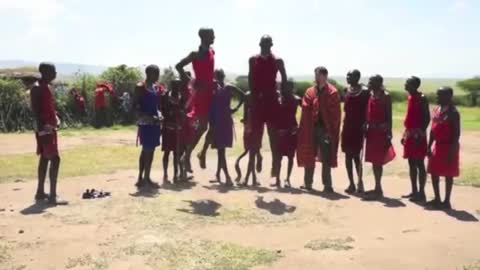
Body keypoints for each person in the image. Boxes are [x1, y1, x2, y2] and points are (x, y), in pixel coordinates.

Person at [176, 27, 216, 175]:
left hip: (212, 92)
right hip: (201, 95)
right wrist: (191, 82)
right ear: (204, 36)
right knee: (203, 127)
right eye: (212, 35)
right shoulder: (195, 54)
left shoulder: (212, 51)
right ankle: (187, 155)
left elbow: (209, 72)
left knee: (214, 126)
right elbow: (178, 66)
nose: (214, 37)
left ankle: (202, 152)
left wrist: (214, 82)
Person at [248, 35, 287, 182]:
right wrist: (252, 99)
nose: (266, 46)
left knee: (273, 137)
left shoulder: (277, 61)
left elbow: (284, 78)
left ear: (271, 45)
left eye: (268, 44)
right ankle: (254, 165)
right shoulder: (253, 60)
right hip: (258, 102)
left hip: (272, 102)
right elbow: (251, 78)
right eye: (263, 44)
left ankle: (275, 167)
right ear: (259, 44)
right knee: (255, 137)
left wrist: (282, 95)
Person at [297, 67, 341, 192]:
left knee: (326, 157)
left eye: (318, 75)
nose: (315, 77)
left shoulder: (332, 92)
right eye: (315, 75)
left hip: (326, 130)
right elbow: (305, 108)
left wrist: (330, 130)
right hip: (311, 128)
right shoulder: (310, 91)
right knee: (309, 155)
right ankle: (308, 184)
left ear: (324, 76)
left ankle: (327, 185)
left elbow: (335, 114)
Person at [30, 62, 65, 205]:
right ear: (45, 72)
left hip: (48, 126)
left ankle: (40, 192)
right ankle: (52, 196)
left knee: (45, 158)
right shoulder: (38, 88)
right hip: (45, 128)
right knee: (55, 159)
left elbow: (46, 107)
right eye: (53, 71)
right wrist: (44, 128)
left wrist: (55, 117)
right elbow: (36, 110)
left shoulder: (45, 87)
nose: (55, 74)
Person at [209, 69, 245, 186]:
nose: (218, 77)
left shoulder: (229, 87)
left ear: (223, 76)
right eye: (216, 75)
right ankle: (221, 175)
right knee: (220, 150)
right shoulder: (213, 88)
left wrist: (235, 108)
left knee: (222, 150)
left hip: (225, 121)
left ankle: (226, 176)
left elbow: (243, 96)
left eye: (220, 75)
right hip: (216, 120)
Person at [426, 86, 460, 210]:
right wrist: (429, 146)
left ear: (448, 96)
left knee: (448, 174)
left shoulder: (453, 113)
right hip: (437, 146)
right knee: (434, 172)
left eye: (440, 95)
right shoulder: (437, 110)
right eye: (437, 94)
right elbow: (432, 130)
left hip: (449, 146)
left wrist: (452, 151)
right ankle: (437, 199)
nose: (437, 97)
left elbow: (457, 134)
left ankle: (446, 201)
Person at [364, 75, 396, 200]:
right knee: (373, 161)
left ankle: (378, 189)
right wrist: (366, 125)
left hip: (381, 132)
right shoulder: (371, 95)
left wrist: (389, 132)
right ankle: (377, 187)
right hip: (371, 131)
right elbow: (368, 113)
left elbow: (389, 116)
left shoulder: (386, 96)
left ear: (379, 83)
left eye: (371, 82)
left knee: (378, 161)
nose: (369, 83)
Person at [401, 76, 430, 202]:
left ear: (414, 85)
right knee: (411, 163)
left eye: (407, 83)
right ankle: (414, 191)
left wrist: (420, 133)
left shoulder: (422, 98)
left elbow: (427, 118)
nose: (405, 85)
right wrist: (405, 134)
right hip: (410, 134)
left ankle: (422, 193)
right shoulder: (410, 97)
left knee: (419, 163)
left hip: (418, 135)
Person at [134, 65, 162, 189]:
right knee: (146, 150)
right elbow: (134, 107)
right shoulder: (141, 87)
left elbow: (156, 107)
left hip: (155, 123)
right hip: (146, 123)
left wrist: (159, 115)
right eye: (156, 73)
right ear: (149, 73)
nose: (158, 76)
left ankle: (146, 178)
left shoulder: (155, 88)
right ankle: (142, 178)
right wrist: (148, 117)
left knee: (150, 151)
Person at [341, 70, 370, 194]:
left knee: (356, 156)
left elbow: (369, 109)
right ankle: (351, 183)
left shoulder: (364, 92)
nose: (348, 77)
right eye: (347, 75)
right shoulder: (346, 90)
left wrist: (366, 123)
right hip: (347, 126)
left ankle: (360, 182)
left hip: (358, 127)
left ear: (357, 77)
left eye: (350, 75)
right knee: (347, 155)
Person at [272, 80, 300, 188]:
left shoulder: (295, 99)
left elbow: (308, 110)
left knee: (290, 156)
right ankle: (277, 178)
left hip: (291, 130)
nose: (285, 90)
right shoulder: (279, 99)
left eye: (288, 88)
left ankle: (287, 178)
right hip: (280, 131)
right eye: (284, 88)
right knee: (278, 156)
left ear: (291, 88)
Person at [235, 90, 264, 186]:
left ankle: (247, 178)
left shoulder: (259, 94)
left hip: (256, 126)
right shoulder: (249, 95)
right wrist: (246, 123)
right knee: (251, 151)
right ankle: (254, 178)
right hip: (251, 125)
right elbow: (245, 112)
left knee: (252, 153)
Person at [161, 80, 185, 184]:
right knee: (167, 152)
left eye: (179, 85)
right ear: (171, 85)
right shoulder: (166, 96)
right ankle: (165, 174)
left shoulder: (181, 97)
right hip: (168, 128)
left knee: (176, 153)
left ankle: (175, 175)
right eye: (175, 85)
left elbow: (184, 111)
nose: (177, 87)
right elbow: (162, 110)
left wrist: (181, 113)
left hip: (178, 129)